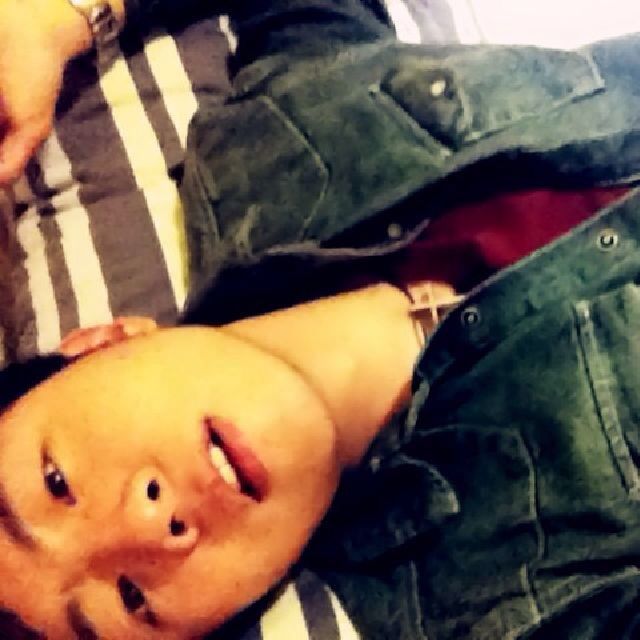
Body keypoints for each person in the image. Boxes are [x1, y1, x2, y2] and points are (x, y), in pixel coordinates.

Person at [2, 1, 640, 639]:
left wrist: (60, 21)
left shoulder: (260, 156)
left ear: (100, 341)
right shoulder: (529, 595)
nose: (150, 526)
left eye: (57, 482)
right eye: (131, 598)